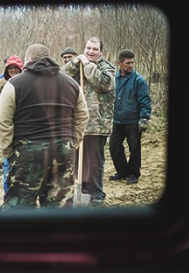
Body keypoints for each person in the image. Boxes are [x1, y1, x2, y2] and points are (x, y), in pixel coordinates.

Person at [0, 43, 89, 209]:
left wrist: (8, 152)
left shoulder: (14, 84)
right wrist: (73, 142)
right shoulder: (71, 83)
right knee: (59, 207)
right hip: (63, 152)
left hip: (27, 154)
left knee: (20, 208)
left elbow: (3, 122)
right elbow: (83, 115)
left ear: (27, 60)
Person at [61, 36, 115, 206]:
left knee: (94, 161)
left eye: (94, 49)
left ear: (101, 51)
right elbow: (62, 76)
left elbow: (104, 84)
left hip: (97, 123)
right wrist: (75, 63)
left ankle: (97, 192)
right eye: (88, 48)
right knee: (77, 160)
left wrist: (88, 65)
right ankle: (82, 189)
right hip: (77, 122)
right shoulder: (78, 65)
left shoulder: (107, 67)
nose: (90, 51)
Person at [109, 49, 152, 185]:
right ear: (120, 63)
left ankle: (134, 173)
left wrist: (144, 118)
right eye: (128, 63)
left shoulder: (139, 80)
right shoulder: (114, 78)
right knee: (114, 146)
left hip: (133, 121)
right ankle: (122, 172)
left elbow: (145, 101)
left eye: (132, 63)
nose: (131, 65)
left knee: (134, 148)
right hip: (117, 120)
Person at [0, 55, 24, 197]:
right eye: (11, 68)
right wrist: (2, 84)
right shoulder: (1, 80)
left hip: (22, 128)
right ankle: (7, 197)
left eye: (16, 68)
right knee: (8, 163)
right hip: (7, 127)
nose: (13, 70)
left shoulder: (26, 81)